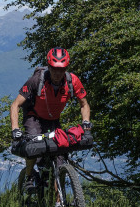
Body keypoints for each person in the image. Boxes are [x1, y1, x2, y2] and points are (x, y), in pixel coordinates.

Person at [10, 47, 92, 191]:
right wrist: (15, 129)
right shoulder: (37, 80)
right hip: (33, 116)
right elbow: (15, 105)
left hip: (53, 119)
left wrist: (86, 124)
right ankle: (29, 177)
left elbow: (84, 104)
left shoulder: (72, 81)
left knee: (60, 155)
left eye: (62, 69)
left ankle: (58, 204)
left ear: (66, 68)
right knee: (33, 145)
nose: (57, 73)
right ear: (48, 66)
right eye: (54, 69)